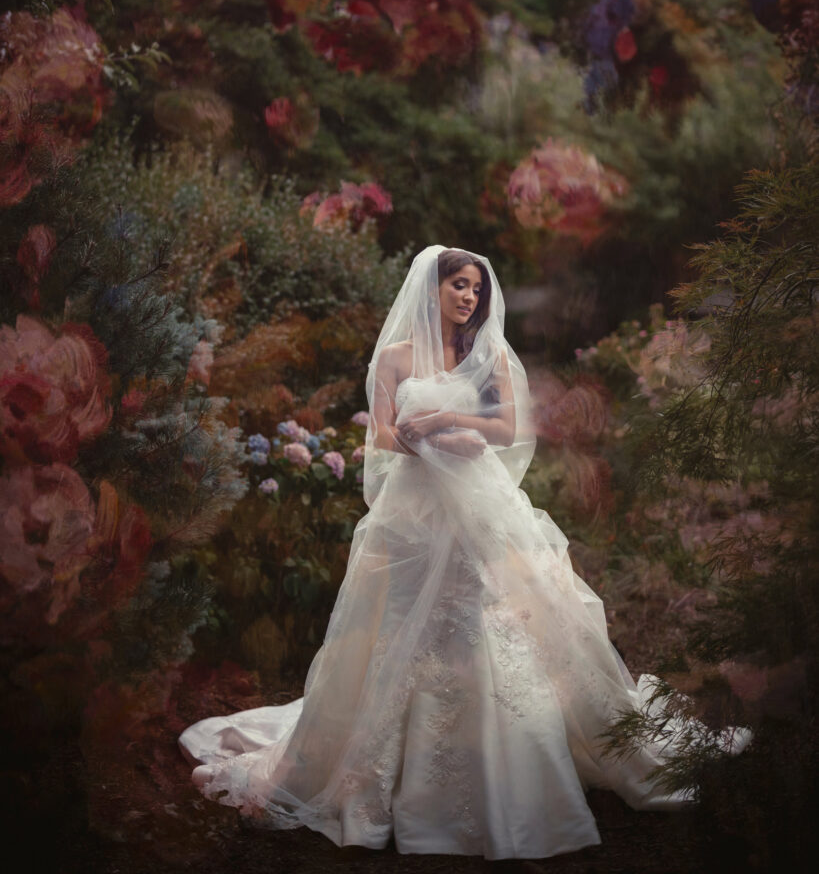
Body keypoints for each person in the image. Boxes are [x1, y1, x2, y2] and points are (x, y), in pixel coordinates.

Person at [179, 246, 747, 860]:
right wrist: (419, 441)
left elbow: (510, 429)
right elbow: (381, 435)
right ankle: (390, 768)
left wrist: (452, 420)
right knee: (400, 627)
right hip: (415, 510)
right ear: (434, 289)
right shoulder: (394, 358)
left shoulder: (491, 354)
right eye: (458, 286)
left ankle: (513, 765)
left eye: (476, 288)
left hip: (479, 503)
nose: (469, 297)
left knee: (493, 617)